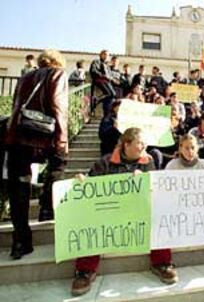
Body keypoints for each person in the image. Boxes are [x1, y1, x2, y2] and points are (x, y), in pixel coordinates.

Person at [71, 128, 177, 296]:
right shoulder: (105, 162)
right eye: (140, 143)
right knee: (90, 220)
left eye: (145, 143)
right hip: (109, 211)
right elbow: (91, 187)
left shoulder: (148, 162)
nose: (144, 147)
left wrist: (144, 180)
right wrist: (83, 181)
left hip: (137, 210)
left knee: (158, 216)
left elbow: (155, 190)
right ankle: (85, 271)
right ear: (126, 144)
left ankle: (162, 263)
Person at [6, 49, 68, 259]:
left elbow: (16, 105)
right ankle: (46, 207)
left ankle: (20, 241)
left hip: (17, 136)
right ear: (57, 62)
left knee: (19, 188)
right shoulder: (57, 74)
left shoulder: (24, 77)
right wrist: (62, 138)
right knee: (58, 164)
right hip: (43, 134)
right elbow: (57, 105)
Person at [89, 50, 116, 115]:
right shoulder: (96, 61)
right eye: (105, 54)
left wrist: (113, 79)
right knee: (111, 94)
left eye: (107, 55)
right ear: (101, 55)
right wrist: (102, 75)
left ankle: (97, 101)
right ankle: (97, 100)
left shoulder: (107, 65)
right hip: (100, 80)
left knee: (112, 95)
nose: (106, 56)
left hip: (107, 81)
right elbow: (93, 71)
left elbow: (110, 75)